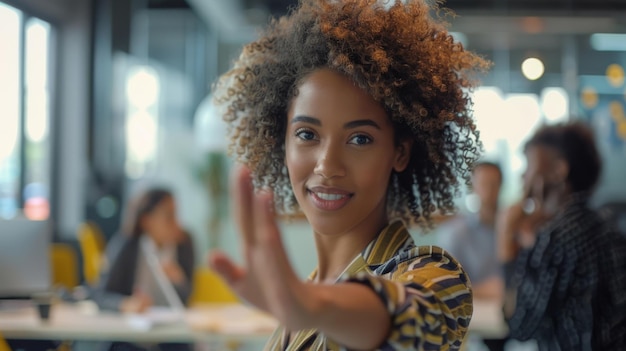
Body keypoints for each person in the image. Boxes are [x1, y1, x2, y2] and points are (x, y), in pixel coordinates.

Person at [208, 0, 490, 350]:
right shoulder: (308, 290)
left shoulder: (436, 276)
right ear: (281, 141)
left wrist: (316, 305)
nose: (327, 165)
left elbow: (414, 318)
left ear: (399, 152)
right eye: (307, 134)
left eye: (360, 139)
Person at [497, 121, 626, 351]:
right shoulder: (606, 222)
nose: (523, 175)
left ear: (559, 170)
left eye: (529, 164)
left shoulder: (555, 238)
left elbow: (520, 326)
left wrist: (506, 242)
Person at [93, 188, 194, 351]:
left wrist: (179, 280)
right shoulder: (127, 244)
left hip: (171, 338)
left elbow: (187, 298)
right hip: (131, 337)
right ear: (146, 220)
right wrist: (125, 304)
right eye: (169, 216)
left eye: (176, 215)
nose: (176, 223)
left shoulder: (184, 243)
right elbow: (99, 294)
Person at [437, 161, 504, 301]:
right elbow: (447, 286)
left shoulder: (512, 230)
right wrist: (485, 290)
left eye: (494, 183)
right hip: (474, 308)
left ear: (501, 186)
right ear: (474, 187)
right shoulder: (456, 233)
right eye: (484, 184)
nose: (490, 191)